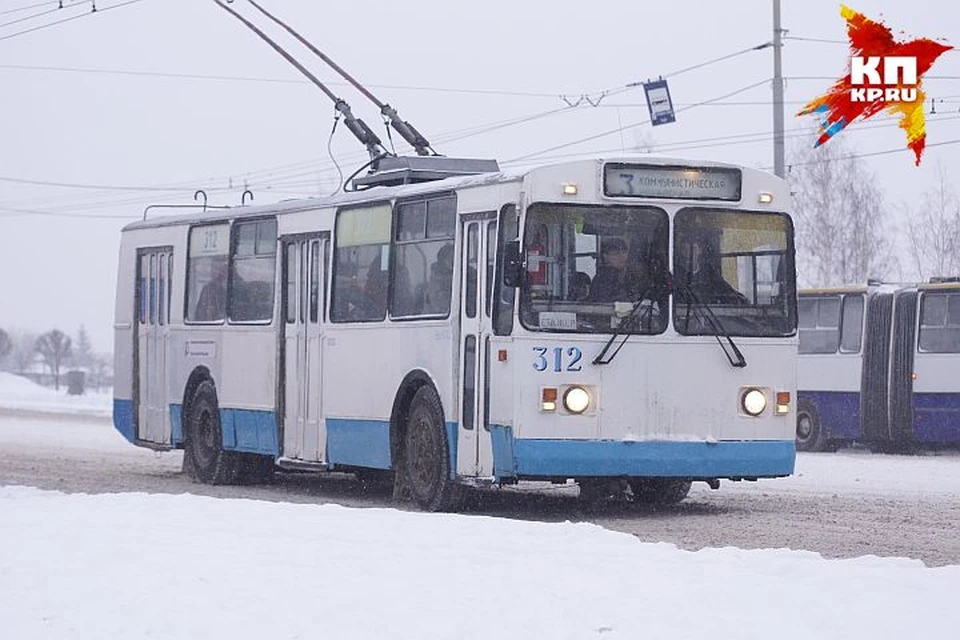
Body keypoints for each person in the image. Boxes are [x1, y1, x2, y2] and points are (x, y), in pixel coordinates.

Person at [674, 236, 748, 305]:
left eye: (693, 249)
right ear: (680, 252)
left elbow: (727, 291)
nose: (688, 254)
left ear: (700, 251)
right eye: (684, 249)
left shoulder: (710, 274)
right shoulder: (675, 275)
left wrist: (740, 299)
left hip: (709, 317)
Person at [588, 238, 649, 302]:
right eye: (615, 253)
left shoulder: (633, 275)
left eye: (624, 252)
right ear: (605, 256)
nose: (621, 256)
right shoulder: (601, 279)